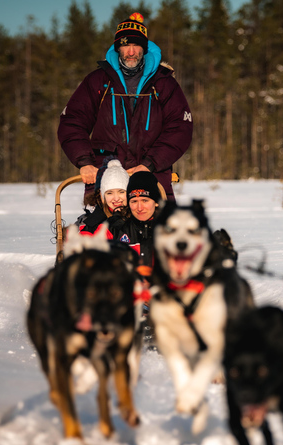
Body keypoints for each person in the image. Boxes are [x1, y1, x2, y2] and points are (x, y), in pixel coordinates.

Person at [57, 12, 192, 201]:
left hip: (152, 175)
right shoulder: (98, 81)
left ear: (144, 48)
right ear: (117, 48)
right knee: (103, 229)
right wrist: (84, 162)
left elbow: (180, 128)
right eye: (125, 45)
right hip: (106, 175)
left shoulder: (163, 83)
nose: (131, 51)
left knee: (160, 229)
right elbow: (72, 122)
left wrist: (149, 164)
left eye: (136, 45)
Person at [112, 171, 162, 272]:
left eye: (145, 201)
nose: (139, 208)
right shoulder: (116, 228)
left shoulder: (168, 229)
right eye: (134, 201)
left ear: (156, 202)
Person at [77, 158, 130, 237]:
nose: (116, 198)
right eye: (109, 193)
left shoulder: (139, 215)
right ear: (102, 196)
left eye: (121, 192)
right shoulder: (92, 223)